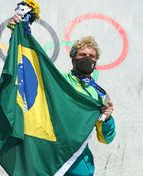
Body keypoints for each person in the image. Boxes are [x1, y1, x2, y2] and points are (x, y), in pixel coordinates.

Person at [9, 14, 116, 176]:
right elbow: (26, 72)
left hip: (79, 166)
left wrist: (107, 119)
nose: (87, 59)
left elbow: (105, 139)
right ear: (73, 58)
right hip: (49, 160)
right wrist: (17, 33)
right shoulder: (57, 82)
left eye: (92, 56)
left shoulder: (100, 95)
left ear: (96, 62)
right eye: (82, 55)